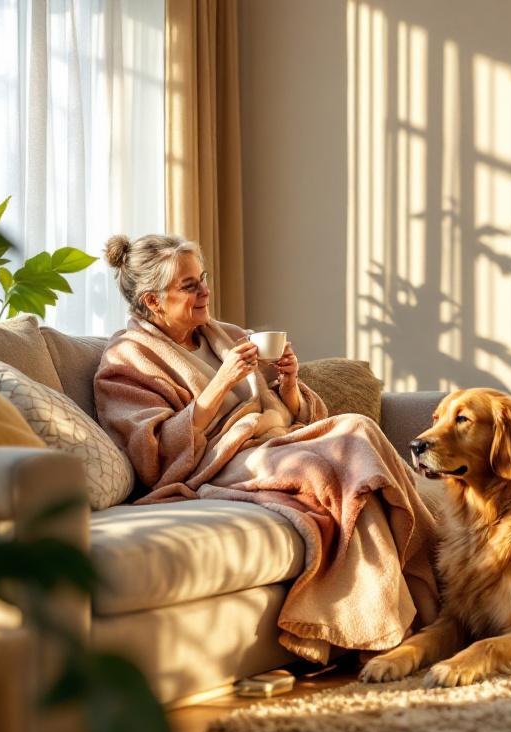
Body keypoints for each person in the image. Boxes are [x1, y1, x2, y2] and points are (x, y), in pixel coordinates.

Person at [93, 234, 438, 663]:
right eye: (190, 286)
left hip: (274, 442)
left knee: (358, 427)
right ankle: (393, 624)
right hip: (217, 462)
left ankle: (427, 602)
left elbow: (295, 414)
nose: (205, 292)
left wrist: (290, 384)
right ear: (153, 300)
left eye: (204, 279)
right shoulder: (126, 359)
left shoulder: (227, 336)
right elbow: (153, 456)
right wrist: (220, 384)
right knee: (322, 468)